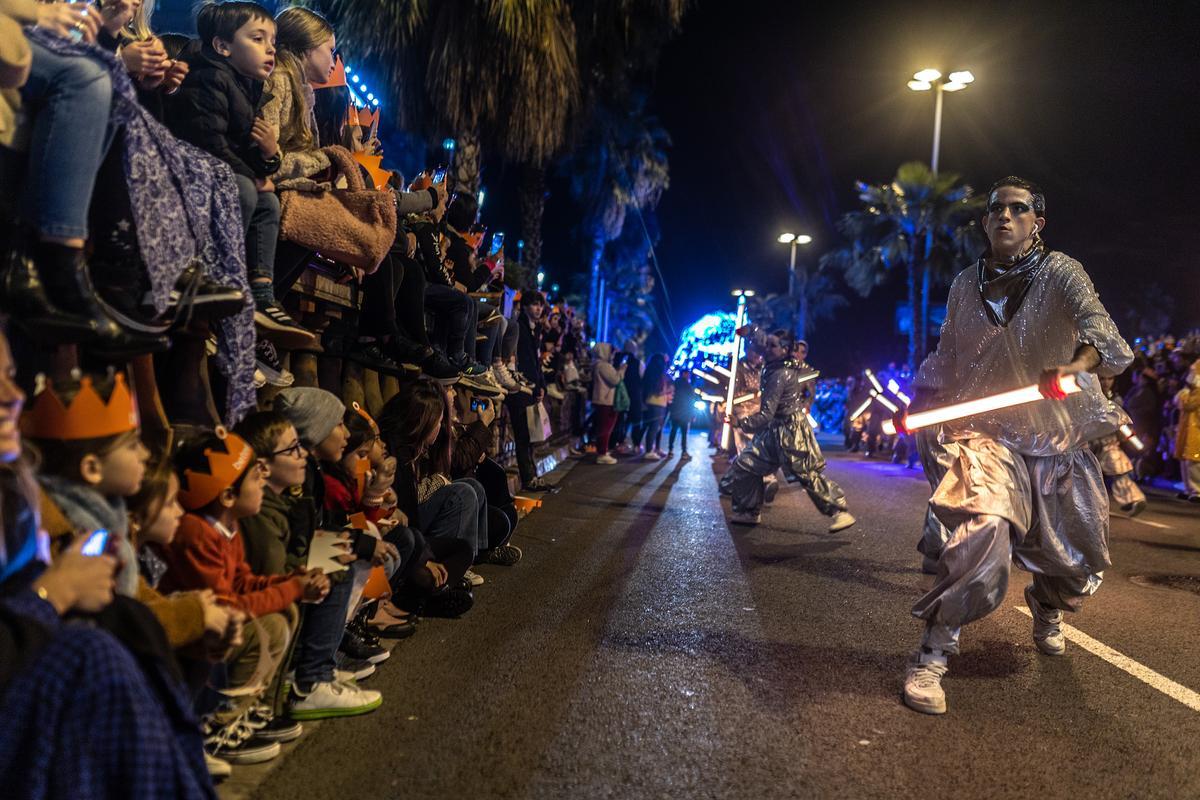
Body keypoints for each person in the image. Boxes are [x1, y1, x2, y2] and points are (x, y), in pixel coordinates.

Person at [898, 177, 1133, 716]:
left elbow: (1102, 332)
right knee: (983, 528)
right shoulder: (964, 283)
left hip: (1056, 434)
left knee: (1077, 563)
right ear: (985, 222)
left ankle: (1048, 606)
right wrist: (922, 395)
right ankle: (932, 655)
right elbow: (949, 353)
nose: (1005, 216)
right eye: (996, 209)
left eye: (1018, 208)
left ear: (1037, 222)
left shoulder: (1061, 272)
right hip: (986, 432)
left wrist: (1075, 367)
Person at [167, 0, 313, 347]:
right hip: (188, 168)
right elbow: (208, 140)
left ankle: (261, 292)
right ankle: (212, 273)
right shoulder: (210, 78)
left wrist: (268, 156)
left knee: (268, 203)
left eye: (273, 42)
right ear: (223, 46)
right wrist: (252, 173)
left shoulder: (247, 89)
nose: (270, 50)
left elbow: (245, 150)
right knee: (248, 191)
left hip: (217, 172)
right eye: (258, 39)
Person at [721, 328, 856, 533]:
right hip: (774, 430)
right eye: (768, 344)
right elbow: (760, 340)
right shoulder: (775, 365)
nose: (767, 348)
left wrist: (739, 423)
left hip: (790, 432)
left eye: (773, 346)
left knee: (806, 474)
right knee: (746, 464)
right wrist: (751, 331)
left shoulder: (780, 373)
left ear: (784, 349)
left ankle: (840, 512)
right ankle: (748, 511)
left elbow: (766, 414)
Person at [1089, 375, 1147, 515]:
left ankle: (1133, 499)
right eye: (1103, 379)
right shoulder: (1088, 396)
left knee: (1119, 470)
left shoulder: (1116, 399)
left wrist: (1130, 438)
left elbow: (1122, 423)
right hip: (1087, 443)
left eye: (1110, 379)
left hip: (1108, 443)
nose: (1106, 382)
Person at [590, 343, 626, 465]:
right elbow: (615, 380)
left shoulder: (597, 365)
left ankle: (602, 451)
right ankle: (602, 453)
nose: (612, 355)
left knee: (604, 427)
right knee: (606, 428)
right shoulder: (603, 366)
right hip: (606, 401)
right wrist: (622, 370)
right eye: (611, 352)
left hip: (602, 400)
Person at [1176, 360, 1200, 502]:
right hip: (1187, 429)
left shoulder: (1196, 392)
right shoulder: (1192, 390)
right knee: (1185, 459)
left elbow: (1187, 404)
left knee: (1193, 460)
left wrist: (1183, 395)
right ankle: (1188, 488)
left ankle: (1196, 490)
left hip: (1196, 429)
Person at [666, 369, 698, 460]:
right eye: (688, 374)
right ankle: (684, 452)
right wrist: (693, 414)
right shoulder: (688, 386)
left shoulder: (675, 383)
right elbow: (691, 400)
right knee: (684, 433)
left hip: (675, 411)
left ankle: (670, 451)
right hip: (684, 413)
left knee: (673, 431)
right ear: (684, 374)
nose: (689, 375)